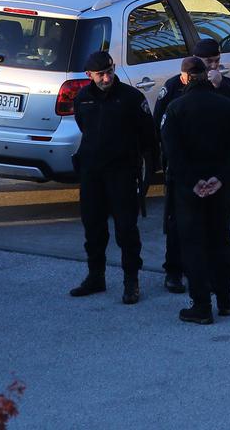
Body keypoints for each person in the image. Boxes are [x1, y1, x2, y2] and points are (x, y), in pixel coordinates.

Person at [154, 39, 230, 294]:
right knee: (178, 225)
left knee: (218, 229)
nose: (214, 67)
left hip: (218, 172)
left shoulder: (223, 84)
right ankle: (174, 271)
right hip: (184, 174)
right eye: (209, 63)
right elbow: (161, 125)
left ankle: (212, 279)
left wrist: (222, 88)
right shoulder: (175, 86)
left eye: (218, 61)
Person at [69, 49, 155, 304]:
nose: (106, 78)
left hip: (122, 172)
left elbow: (148, 137)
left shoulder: (131, 98)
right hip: (92, 172)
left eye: (109, 72)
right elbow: (83, 126)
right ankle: (96, 276)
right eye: (100, 74)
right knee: (93, 227)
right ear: (89, 75)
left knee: (126, 229)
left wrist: (146, 170)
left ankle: (131, 282)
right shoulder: (83, 98)